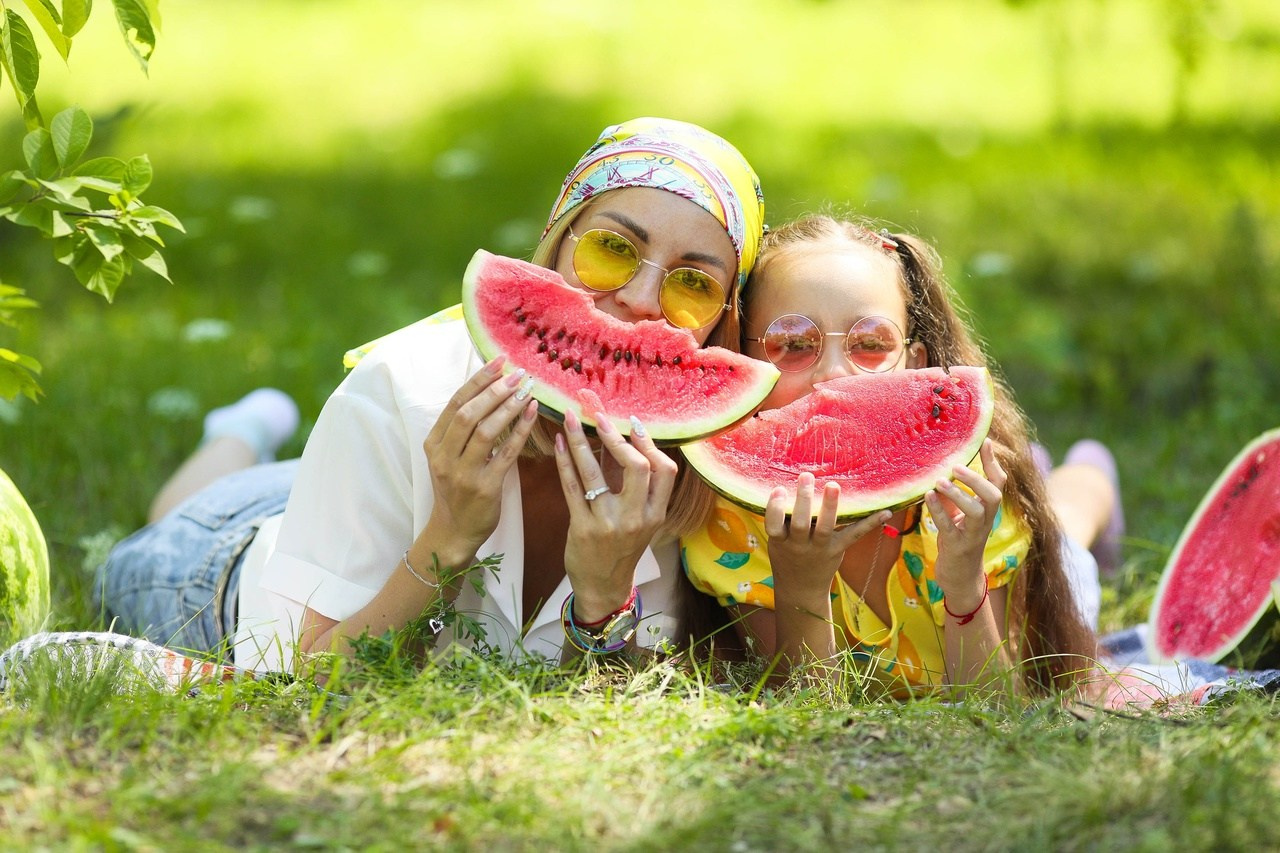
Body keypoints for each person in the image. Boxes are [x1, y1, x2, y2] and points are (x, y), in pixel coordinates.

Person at [96, 117, 766, 672]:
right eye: (613, 247)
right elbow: (305, 683)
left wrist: (604, 592)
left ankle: (254, 438)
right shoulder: (399, 389)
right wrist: (450, 532)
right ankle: (236, 431)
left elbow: (614, 708)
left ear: (721, 328)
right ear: (554, 251)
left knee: (292, 483)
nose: (641, 299)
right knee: (177, 511)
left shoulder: (700, 471)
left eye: (692, 284)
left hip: (345, 504)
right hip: (220, 563)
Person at [680, 214, 1118, 698]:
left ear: (917, 364)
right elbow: (807, 703)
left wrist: (965, 578)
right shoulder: (732, 520)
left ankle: (1092, 468)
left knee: (1068, 530)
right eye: (793, 344)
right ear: (746, 359)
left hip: (1019, 550)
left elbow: (996, 705)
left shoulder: (968, 499)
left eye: (869, 344)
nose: (833, 376)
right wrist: (800, 585)